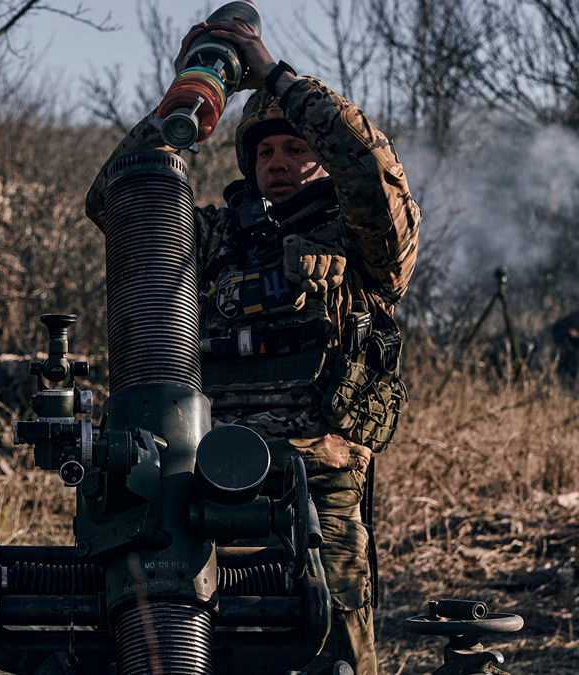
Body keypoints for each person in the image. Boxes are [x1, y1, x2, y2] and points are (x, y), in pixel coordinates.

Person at [85, 19, 421, 675]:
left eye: (296, 148)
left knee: (333, 651)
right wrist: (188, 101)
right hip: (198, 481)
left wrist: (274, 76)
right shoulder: (216, 242)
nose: (279, 163)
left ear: (323, 156)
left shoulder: (365, 246)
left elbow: (370, 168)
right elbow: (117, 200)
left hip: (313, 484)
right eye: (265, 152)